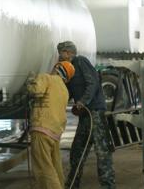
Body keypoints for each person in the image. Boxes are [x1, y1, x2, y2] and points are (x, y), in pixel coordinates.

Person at [57, 41, 116, 189]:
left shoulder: (81, 62)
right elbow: (69, 92)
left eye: (62, 52)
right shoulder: (68, 69)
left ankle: (108, 185)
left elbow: (93, 83)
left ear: (70, 53)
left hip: (95, 112)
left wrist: (83, 101)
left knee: (102, 151)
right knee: (77, 150)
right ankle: (72, 184)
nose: (60, 55)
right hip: (85, 115)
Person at [26, 61, 75, 189]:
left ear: (57, 68)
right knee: (55, 166)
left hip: (42, 128)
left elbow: (37, 91)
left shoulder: (47, 78)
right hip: (55, 132)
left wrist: (31, 80)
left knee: (43, 168)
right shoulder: (65, 90)